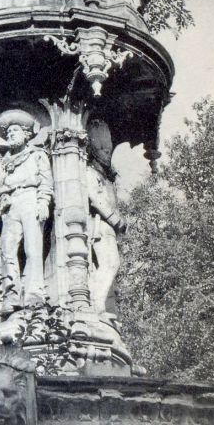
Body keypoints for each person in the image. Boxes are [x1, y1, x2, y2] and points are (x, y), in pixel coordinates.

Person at [0, 110, 54, 315]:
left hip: (31, 200)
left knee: (32, 249)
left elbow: (46, 182)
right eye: (8, 133)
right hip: (10, 207)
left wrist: (43, 202)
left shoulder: (37, 155)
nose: (11, 135)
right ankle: (11, 294)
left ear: (26, 134)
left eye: (15, 131)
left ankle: (34, 293)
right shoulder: (3, 163)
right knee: (7, 251)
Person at [86, 119, 126, 315]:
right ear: (93, 151)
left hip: (108, 228)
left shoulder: (105, 176)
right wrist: (115, 219)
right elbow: (94, 198)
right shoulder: (89, 172)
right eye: (102, 148)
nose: (107, 152)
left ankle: (101, 304)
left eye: (108, 149)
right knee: (109, 263)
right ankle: (96, 304)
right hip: (99, 226)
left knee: (110, 264)